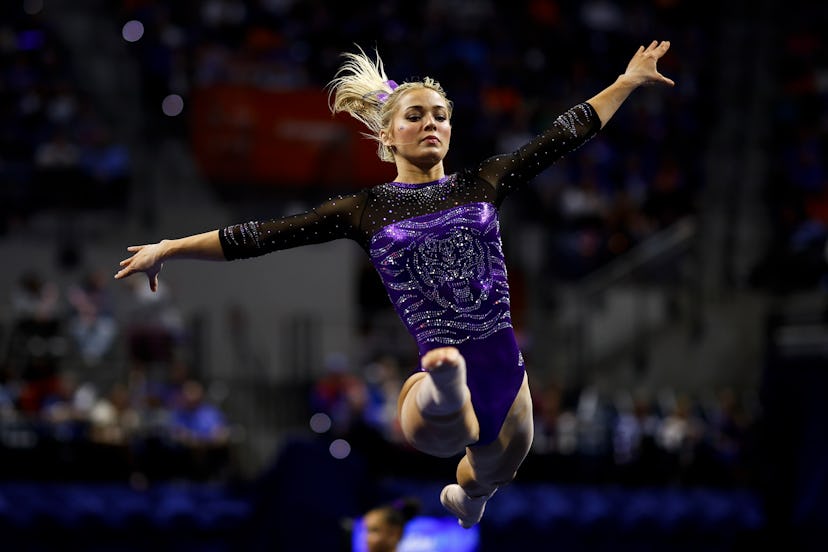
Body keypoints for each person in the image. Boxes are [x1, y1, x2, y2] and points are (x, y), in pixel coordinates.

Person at [115, 40, 674, 527]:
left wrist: (626, 81)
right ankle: (446, 386)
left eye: (439, 115)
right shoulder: (366, 209)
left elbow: (562, 134)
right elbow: (261, 235)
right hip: (435, 368)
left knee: (491, 471)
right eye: (415, 115)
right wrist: (171, 247)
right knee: (449, 422)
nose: (430, 123)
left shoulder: (485, 180)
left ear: (451, 130)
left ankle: (469, 498)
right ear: (387, 133)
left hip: (507, 374)